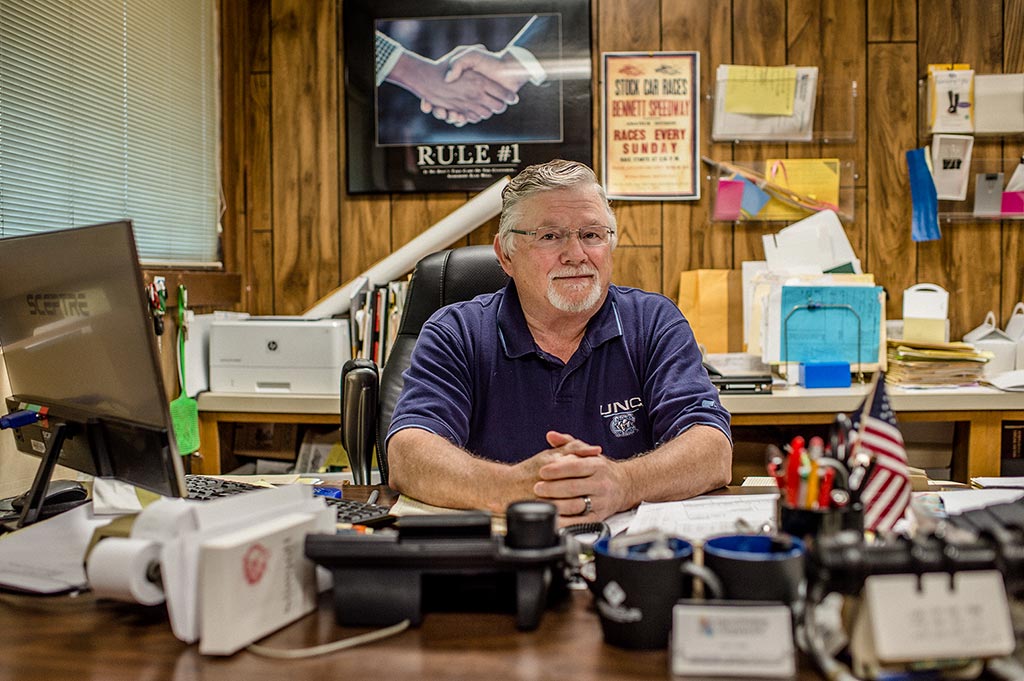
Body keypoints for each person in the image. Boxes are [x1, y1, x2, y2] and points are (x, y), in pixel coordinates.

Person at [386, 159, 732, 525]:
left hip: (626, 556)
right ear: (505, 255)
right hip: (499, 561)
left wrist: (623, 483)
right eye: (550, 236)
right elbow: (409, 454)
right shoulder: (456, 332)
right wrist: (513, 489)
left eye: (592, 235)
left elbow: (712, 449)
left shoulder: (653, 322)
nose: (576, 254)